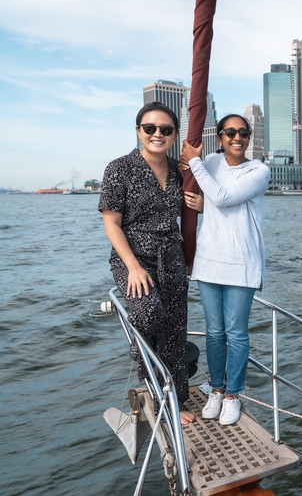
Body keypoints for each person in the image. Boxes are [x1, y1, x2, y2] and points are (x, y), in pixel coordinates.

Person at [99, 101, 202, 425]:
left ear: (174, 136)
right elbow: (111, 224)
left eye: (166, 130)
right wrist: (132, 266)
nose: (157, 134)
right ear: (138, 131)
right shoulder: (119, 169)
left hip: (170, 255)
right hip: (134, 256)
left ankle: (176, 401)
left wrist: (200, 205)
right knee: (148, 313)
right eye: (150, 128)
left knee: (174, 330)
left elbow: (191, 206)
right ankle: (145, 366)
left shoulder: (177, 170)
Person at [179, 114, 270, 425]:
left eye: (243, 132)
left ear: (248, 138)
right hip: (208, 261)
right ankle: (216, 389)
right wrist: (194, 169)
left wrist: (195, 167)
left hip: (242, 263)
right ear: (219, 138)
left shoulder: (259, 170)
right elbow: (200, 186)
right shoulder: (212, 162)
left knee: (236, 334)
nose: (237, 137)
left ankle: (233, 394)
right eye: (230, 132)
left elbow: (223, 196)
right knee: (215, 333)